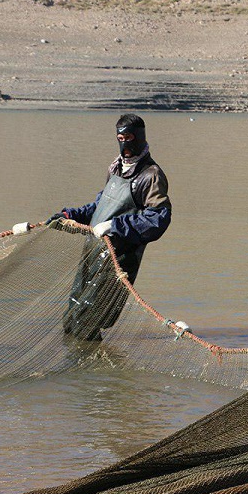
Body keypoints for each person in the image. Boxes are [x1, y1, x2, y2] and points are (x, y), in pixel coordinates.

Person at [47, 113, 171, 340]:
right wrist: (69, 215)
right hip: (93, 254)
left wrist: (115, 226)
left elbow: (158, 220)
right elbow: (100, 206)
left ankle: (86, 369)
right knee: (72, 318)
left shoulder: (151, 176)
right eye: (120, 137)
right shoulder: (115, 168)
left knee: (88, 322)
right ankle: (86, 372)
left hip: (118, 260)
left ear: (140, 137)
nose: (124, 142)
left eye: (129, 137)